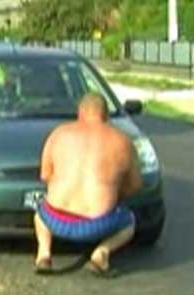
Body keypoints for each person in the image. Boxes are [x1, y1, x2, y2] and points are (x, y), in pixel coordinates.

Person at [33, 92, 142, 276]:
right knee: (129, 222)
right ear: (106, 115)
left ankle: (44, 254)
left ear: (80, 112)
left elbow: (45, 175)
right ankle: (102, 252)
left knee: (39, 214)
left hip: (55, 219)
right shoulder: (123, 141)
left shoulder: (58, 134)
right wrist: (114, 192)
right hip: (99, 224)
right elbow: (135, 186)